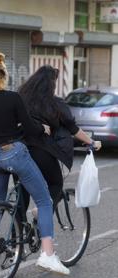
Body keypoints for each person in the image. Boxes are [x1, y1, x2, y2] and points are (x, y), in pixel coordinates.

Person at [0, 53, 70, 275]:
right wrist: (42, 129)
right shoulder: (12, 98)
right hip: (14, 155)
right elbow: (28, 127)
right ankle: (47, 254)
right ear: (4, 76)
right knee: (44, 199)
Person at [18, 65, 102, 211]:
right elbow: (73, 129)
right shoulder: (54, 103)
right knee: (55, 184)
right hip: (41, 150)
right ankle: (41, 213)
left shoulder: (21, 98)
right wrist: (92, 142)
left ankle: (18, 229)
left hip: (17, 149)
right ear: (51, 83)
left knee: (22, 187)